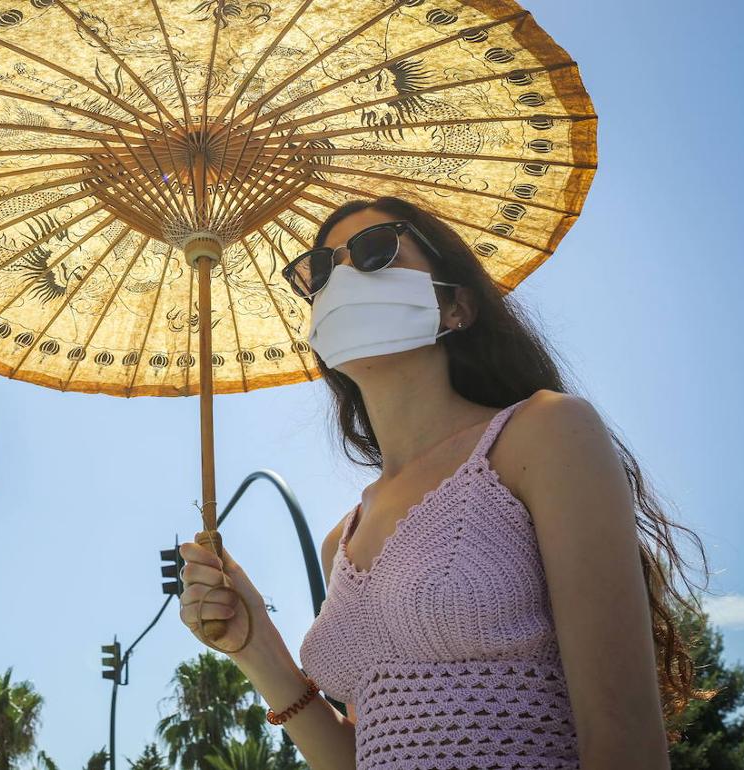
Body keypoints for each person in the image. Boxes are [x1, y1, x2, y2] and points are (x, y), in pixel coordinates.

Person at [176, 195, 711, 770]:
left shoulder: (543, 435)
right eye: (322, 269)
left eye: (376, 251)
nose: (344, 279)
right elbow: (365, 757)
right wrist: (256, 649)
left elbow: (624, 742)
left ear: (457, 306)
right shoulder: (341, 542)